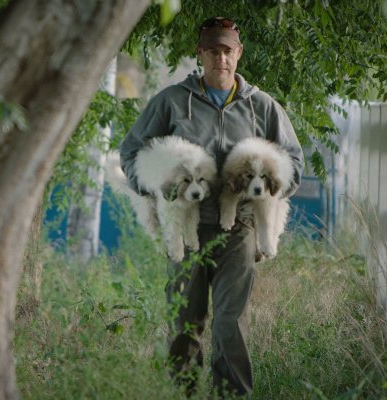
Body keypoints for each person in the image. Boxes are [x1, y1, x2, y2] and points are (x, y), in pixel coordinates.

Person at [118, 17, 304, 396]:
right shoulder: (171, 101)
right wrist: (154, 188)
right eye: (213, 51)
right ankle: (183, 393)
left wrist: (269, 189)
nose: (221, 58)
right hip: (187, 227)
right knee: (186, 321)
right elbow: (132, 150)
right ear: (200, 54)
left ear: (239, 54)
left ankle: (231, 394)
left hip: (240, 228)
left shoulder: (263, 106)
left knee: (229, 323)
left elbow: (293, 162)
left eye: (228, 51)